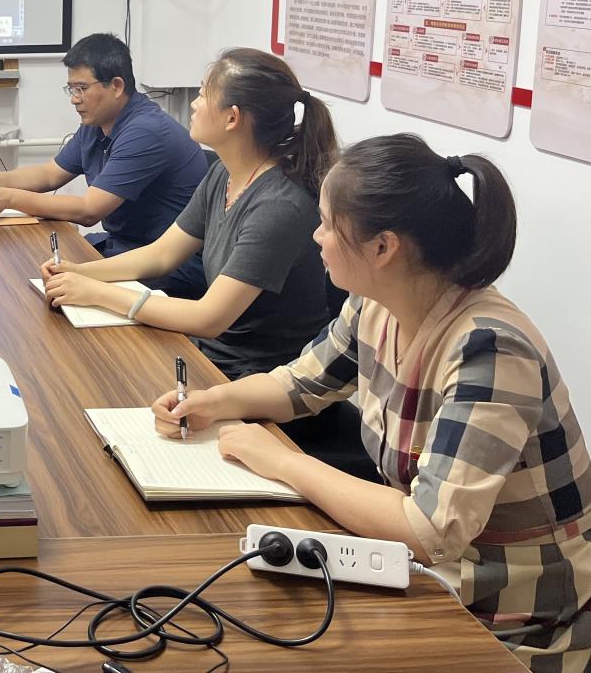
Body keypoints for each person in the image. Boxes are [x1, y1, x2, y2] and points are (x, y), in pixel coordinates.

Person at [155, 136, 591, 671]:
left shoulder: (490, 348)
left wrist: (283, 461)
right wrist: (211, 401)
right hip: (429, 576)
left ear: (384, 247)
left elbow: (430, 529)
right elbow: (302, 384)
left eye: (326, 224)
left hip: (515, 619)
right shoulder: (374, 304)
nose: (315, 237)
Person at [42, 48, 337, 382]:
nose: (194, 104)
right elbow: (162, 255)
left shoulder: (279, 206)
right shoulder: (224, 174)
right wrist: (81, 272)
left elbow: (208, 318)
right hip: (214, 354)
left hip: (259, 376)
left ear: (232, 118)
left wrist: (97, 292)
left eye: (203, 94)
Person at [0, 33, 209, 295]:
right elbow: (49, 174)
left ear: (116, 86)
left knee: (49, 285)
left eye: (82, 89)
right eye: (71, 89)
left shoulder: (145, 131)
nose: (75, 99)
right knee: (30, 270)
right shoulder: (97, 123)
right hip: (125, 249)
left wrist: (10, 198)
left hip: (169, 266)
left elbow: (89, 210)